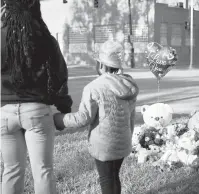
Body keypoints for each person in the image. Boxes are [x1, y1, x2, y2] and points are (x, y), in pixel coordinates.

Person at [1, 1, 73, 194]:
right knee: (43, 171)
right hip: (36, 111)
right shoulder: (45, 38)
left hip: (4, 113)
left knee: (11, 170)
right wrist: (63, 106)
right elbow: (59, 76)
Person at [54, 40, 139, 194]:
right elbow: (131, 117)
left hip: (104, 145)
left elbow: (83, 118)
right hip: (123, 142)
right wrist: (128, 137)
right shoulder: (129, 85)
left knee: (106, 179)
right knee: (114, 176)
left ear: (101, 65)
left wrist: (59, 119)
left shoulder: (94, 87)